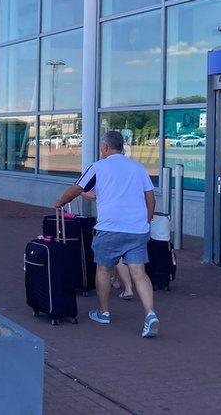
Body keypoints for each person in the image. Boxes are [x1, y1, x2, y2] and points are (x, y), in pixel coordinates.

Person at [55, 131, 159, 338]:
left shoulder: (98, 167)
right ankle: (150, 313)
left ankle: (104, 312)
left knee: (103, 269)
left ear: (105, 147)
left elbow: (76, 189)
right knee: (139, 273)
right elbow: (150, 199)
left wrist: (60, 202)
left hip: (110, 227)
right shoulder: (138, 168)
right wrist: (146, 221)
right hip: (137, 228)